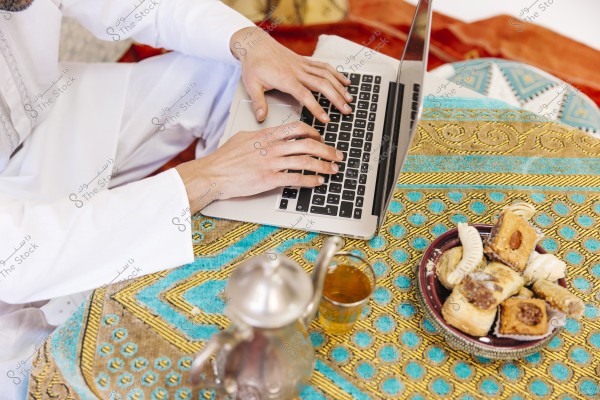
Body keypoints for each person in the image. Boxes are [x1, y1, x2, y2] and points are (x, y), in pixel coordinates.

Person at [0, 0, 353, 397]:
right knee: (57, 375)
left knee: (231, 73)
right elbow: (13, 255)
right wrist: (206, 177)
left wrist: (249, 41)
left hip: (49, 112)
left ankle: (235, 253)